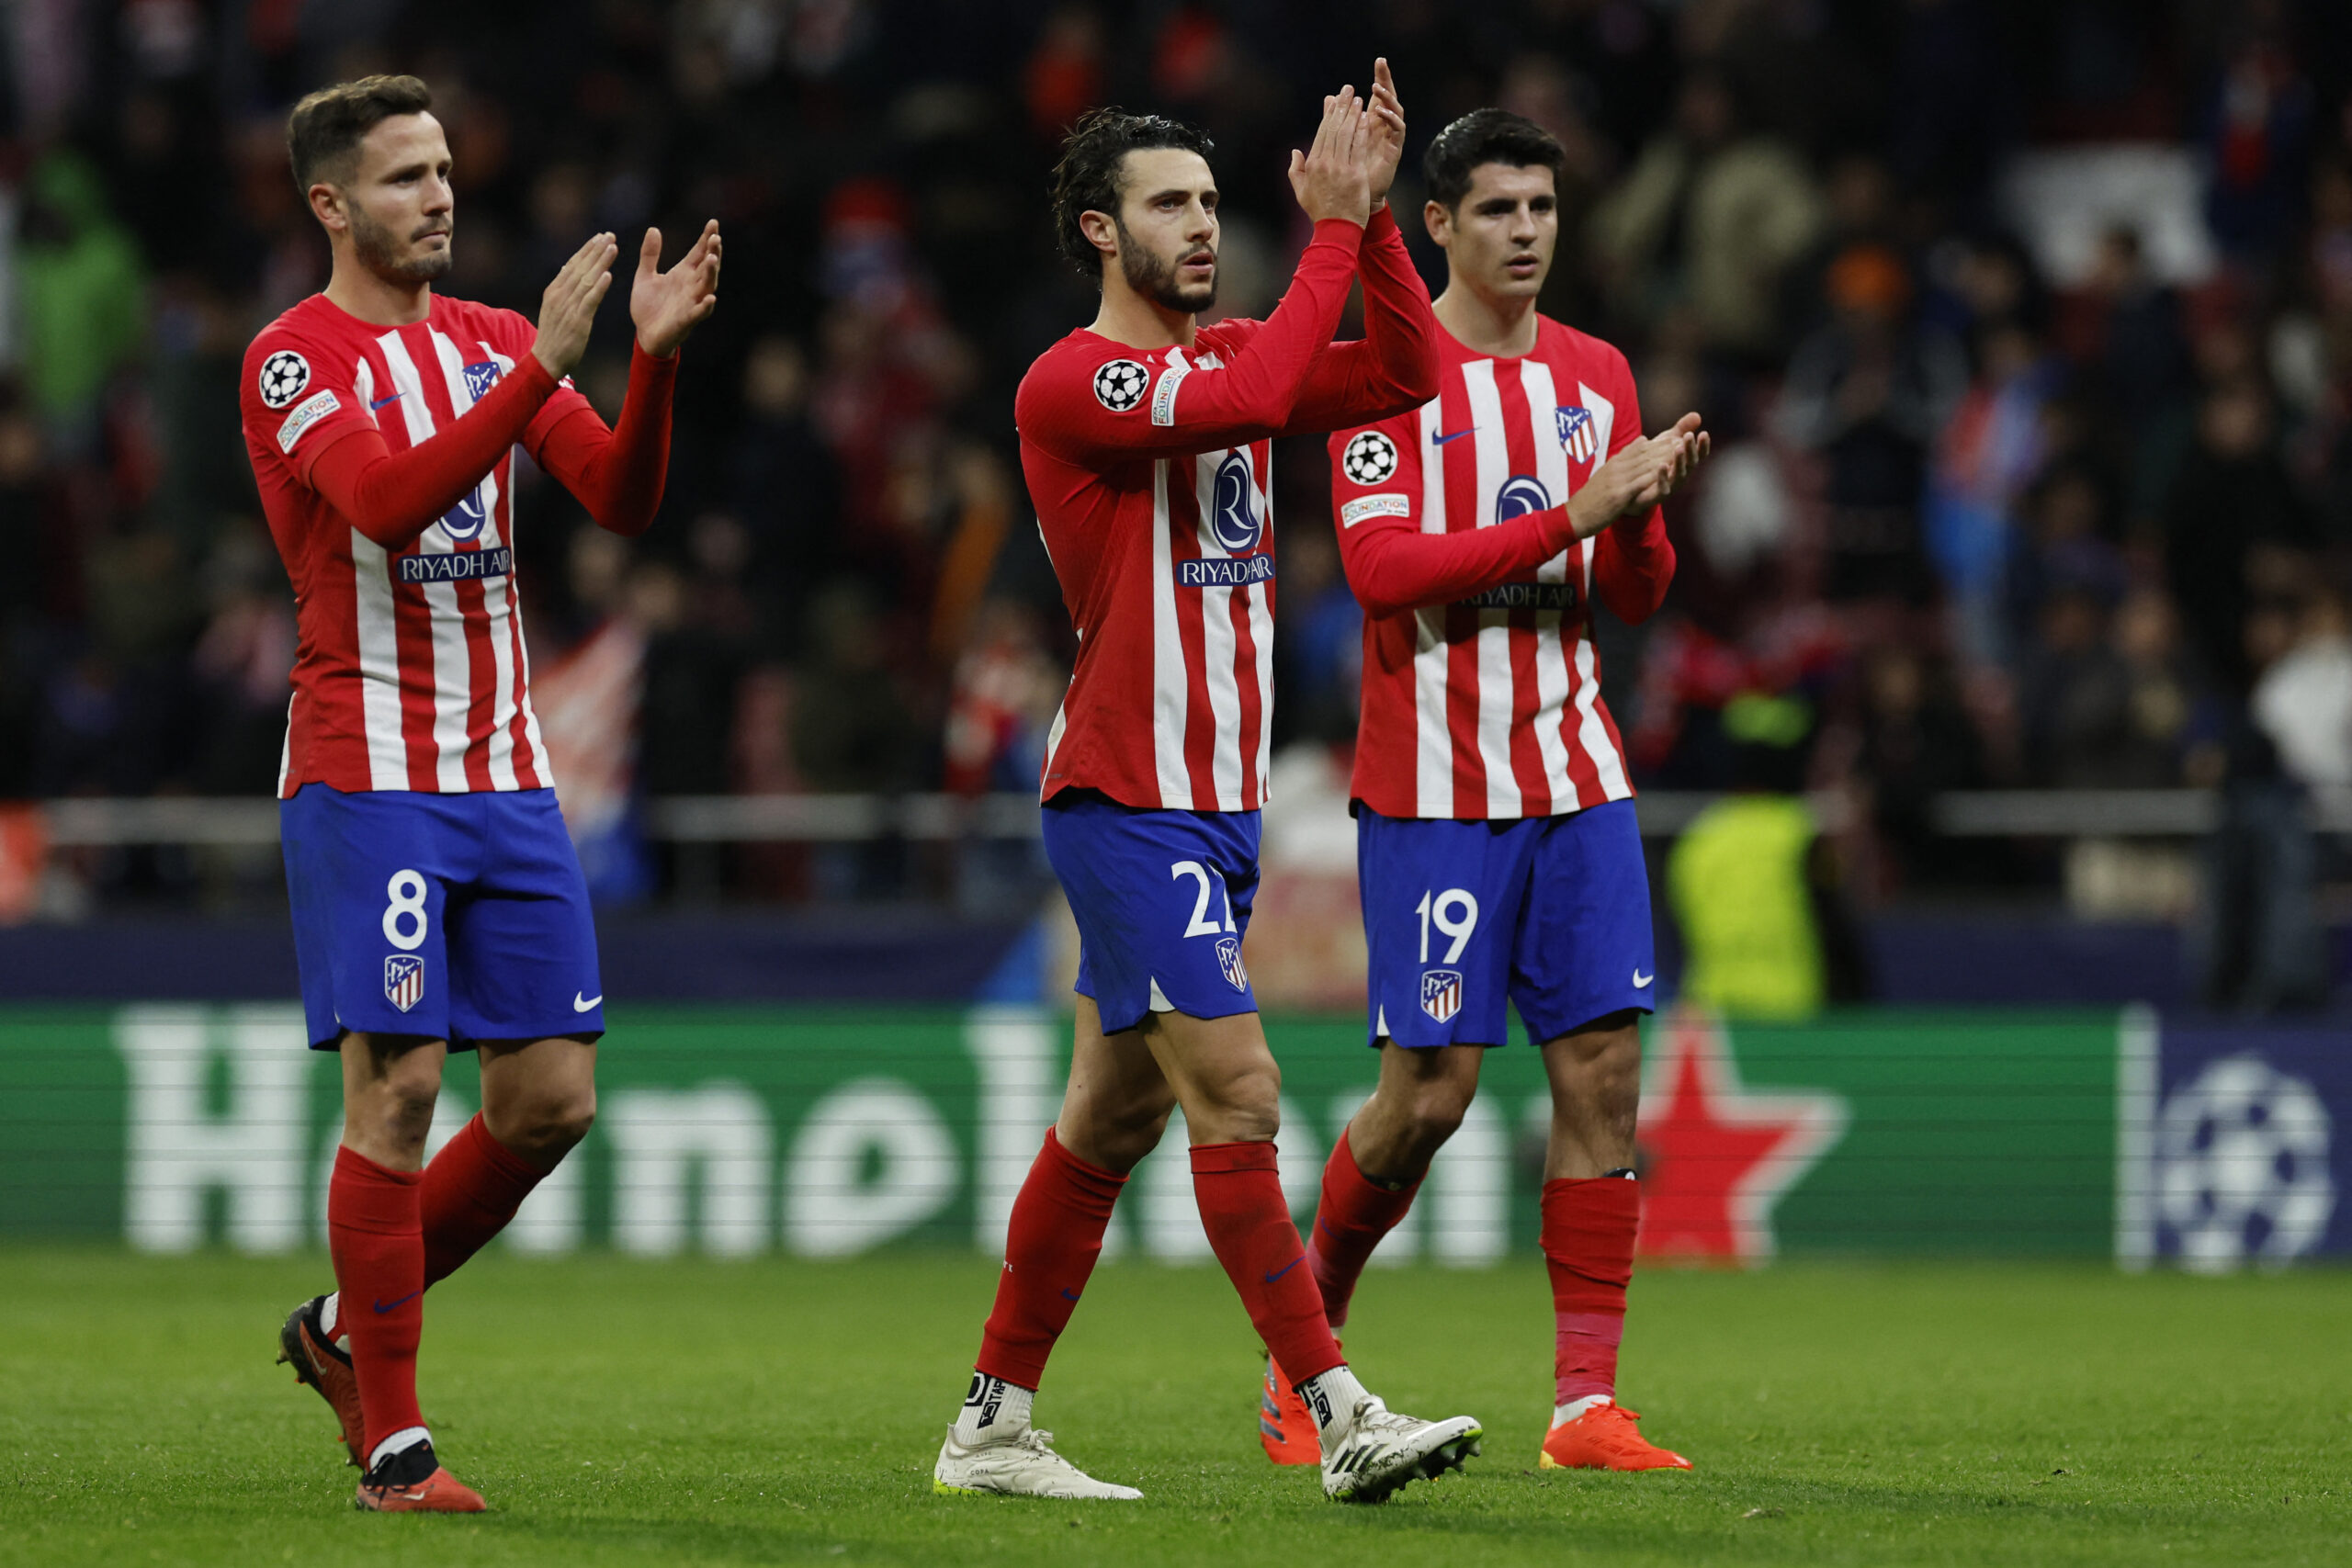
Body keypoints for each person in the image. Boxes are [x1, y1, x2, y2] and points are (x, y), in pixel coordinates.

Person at [932, 66, 1483, 1506]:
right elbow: (1244, 388)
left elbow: (1414, 375)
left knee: (1109, 1118)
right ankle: (1335, 1406)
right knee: (1238, 1093)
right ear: (1099, 233)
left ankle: (991, 1423)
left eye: (1210, 203)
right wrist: (1333, 226)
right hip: (1124, 796)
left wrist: (1365, 237)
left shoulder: (1237, 350)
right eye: (1168, 204)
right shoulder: (1076, 378)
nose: (1200, 226)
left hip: (1218, 807)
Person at [240, 75, 719, 1513]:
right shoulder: (290, 360)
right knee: (395, 1094)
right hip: (367, 770)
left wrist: (653, 365)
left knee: (552, 1100)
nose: (439, 196)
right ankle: (393, 1441)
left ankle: (339, 1328)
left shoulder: (500, 339)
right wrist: (535, 376)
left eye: (444, 169)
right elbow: (385, 502)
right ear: (331, 204)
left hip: (508, 773)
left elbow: (620, 502)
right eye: (402, 178)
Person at [1261, 108, 1707, 1476]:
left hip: (1577, 773)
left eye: (1543, 209)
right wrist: (1575, 516)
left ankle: (1586, 1408)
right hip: (1436, 792)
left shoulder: (1597, 376)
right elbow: (1385, 573)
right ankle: (1306, 1369)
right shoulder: (1386, 375)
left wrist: (1637, 519)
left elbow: (1632, 593)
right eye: (1499, 209)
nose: (1527, 232)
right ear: (1438, 223)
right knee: (1430, 1098)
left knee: (1605, 1077)